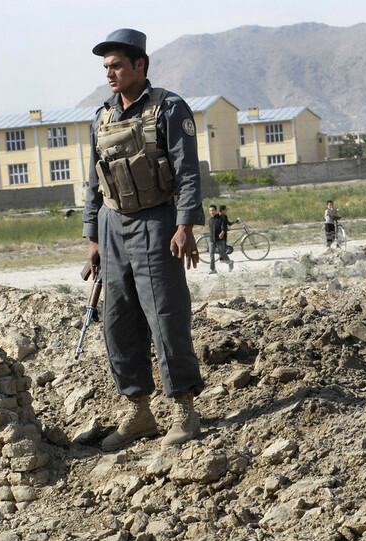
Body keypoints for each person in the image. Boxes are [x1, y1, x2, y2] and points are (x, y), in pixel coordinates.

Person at [82, 28, 205, 451]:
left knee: (165, 316)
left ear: (140, 65)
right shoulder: (102, 117)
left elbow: (187, 172)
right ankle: (139, 412)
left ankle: (184, 409)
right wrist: (93, 238)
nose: (109, 73)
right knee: (118, 323)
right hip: (113, 227)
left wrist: (185, 225)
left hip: (156, 223)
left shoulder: (169, 108)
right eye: (106, 67)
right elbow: (94, 182)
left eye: (116, 65)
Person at [207, 204, 233, 273]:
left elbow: (223, 227)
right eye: (210, 211)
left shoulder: (220, 218)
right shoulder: (210, 219)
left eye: (213, 210)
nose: (212, 212)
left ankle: (230, 262)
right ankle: (212, 269)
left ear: (216, 211)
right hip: (212, 240)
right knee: (211, 254)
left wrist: (222, 232)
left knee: (222, 253)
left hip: (219, 239)